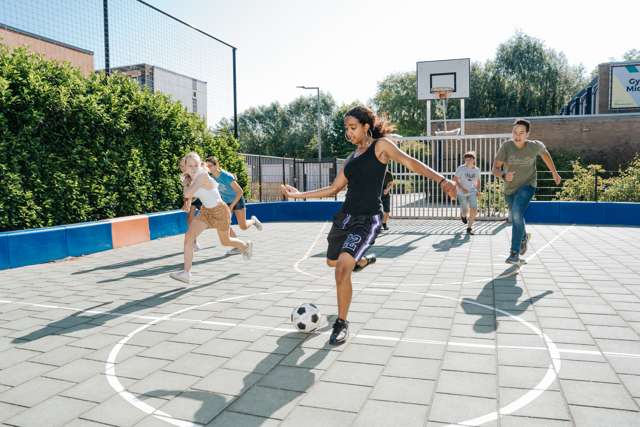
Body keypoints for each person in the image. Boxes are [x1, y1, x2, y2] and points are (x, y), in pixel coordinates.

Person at [282, 106, 457, 345]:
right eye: (346, 128)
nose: (349, 133)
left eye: (353, 127)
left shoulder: (381, 146)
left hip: (367, 219)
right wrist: (298, 195)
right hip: (345, 216)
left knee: (342, 269)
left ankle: (341, 323)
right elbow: (334, 188)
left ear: (366, 126)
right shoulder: (350, 158)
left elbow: (411, 163)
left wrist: (442, 180)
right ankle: (362, 261)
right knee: (332, 261)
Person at [170, 152, 253, 284]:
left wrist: (185, 185)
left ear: (200, 164)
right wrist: (187, 204)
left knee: (225, 242)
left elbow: (188, 191)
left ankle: (245, 246)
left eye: (196, 165)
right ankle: (186, 273)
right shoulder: (186, 176)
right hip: (206, 211)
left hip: (220, 211)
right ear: (185, 166)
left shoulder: (202, 175)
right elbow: (189, 195)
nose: (193, 168)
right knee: (189, 236)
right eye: (189, 165)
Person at [492, 119, 561, 265]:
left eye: (521, 133)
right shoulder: (506, 146)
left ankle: (514, 253)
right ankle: (523, 238)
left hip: (528, 185)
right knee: (517, 216)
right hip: (509, 189)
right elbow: (495, 169)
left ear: (527, 134)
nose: (517, 136)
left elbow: (545, 154)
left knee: (516, 214)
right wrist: (504, 175)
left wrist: (554, 173)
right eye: (515, 132)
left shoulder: (535, 146)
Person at [205, 156, 262, 256]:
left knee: (243, 226)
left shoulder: (226, 176)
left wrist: (231, 206)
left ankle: (253, 221)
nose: (209, 168)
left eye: (210, 166)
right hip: (226, 202)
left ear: (216, 165)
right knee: (225, 224)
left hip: (237, 199)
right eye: (207, 166)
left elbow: (240, 191)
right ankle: (238, 247)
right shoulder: (212, 178)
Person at [454, 151, 482, 235]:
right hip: (461, 193)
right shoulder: (461, 168)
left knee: (473, 208)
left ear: (473, 160)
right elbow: (455, 180)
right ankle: (463, 215)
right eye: (466, 160)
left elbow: (478, 181)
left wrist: (478, 190)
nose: (468, 161)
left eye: (470, 159)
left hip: (472, 191)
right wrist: (462, 189)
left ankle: (469, 228)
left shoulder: (476, 170)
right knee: (465, 211)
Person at [178, 157, 202, 251]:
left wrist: (189, 201)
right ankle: (194, 243)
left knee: (208, 221)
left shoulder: (194, 173)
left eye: (184, 165)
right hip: (191, 199)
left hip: (200, 198)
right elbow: (187, 190)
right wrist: (186, 203)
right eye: (180, 166)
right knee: (189, 220)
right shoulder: (182, 176)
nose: (183, 167)